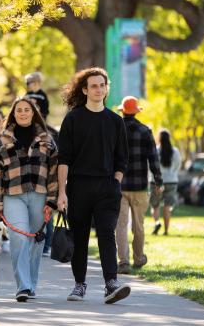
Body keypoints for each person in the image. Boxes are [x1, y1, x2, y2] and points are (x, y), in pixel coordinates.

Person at [57, 67, 130, 304]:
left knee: (107, 234)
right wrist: (61, 192)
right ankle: (79, 285)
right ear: (85, 90)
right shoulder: (73, 119)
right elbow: (64, 159)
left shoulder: (115, 121)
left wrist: (115, 182)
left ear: (106, 88)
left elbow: (122, 158)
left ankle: (111, 284)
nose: (99, 89)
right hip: (78, 187)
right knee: (80, 238)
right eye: (94, 86)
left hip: (108, 188)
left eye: (102, 85)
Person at [0, 96, 58, 302]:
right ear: (13, 114)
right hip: (13, 196)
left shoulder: (47, 139)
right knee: (19, 238)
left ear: (34, 113)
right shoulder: (3, 141)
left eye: (27, 110)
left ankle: (31, 283)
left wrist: (52, 200)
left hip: (39, 195)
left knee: (35, 240)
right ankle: (23, 287)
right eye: (19, 110)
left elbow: (53, 172)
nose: (23, 113)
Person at [115, 96, 163, 274]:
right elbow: (153, 158)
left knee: (120, 224)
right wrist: (158, 180)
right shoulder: (145, 130)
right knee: (138, 225)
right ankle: (139, 257)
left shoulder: (115, 129)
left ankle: (123, 262)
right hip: (140, 186)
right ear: (136, 111)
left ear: (122, 111)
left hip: (118, 185)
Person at [25, 71, 57, 257]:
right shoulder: (27, 96)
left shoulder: (42, 95)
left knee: (46, 211)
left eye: (31, 82)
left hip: (44, 181)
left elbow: (45, 110)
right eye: (28, 82)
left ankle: (47, 244)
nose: (29, 84)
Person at [151, 130, 181, 236]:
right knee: (167, 206)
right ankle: (166, 230)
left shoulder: (155, 150)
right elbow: (178, 165)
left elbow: (151, 166)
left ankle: (157, 222)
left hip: (156, 181)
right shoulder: (175, 151)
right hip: (172, 181)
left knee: (155, 205)